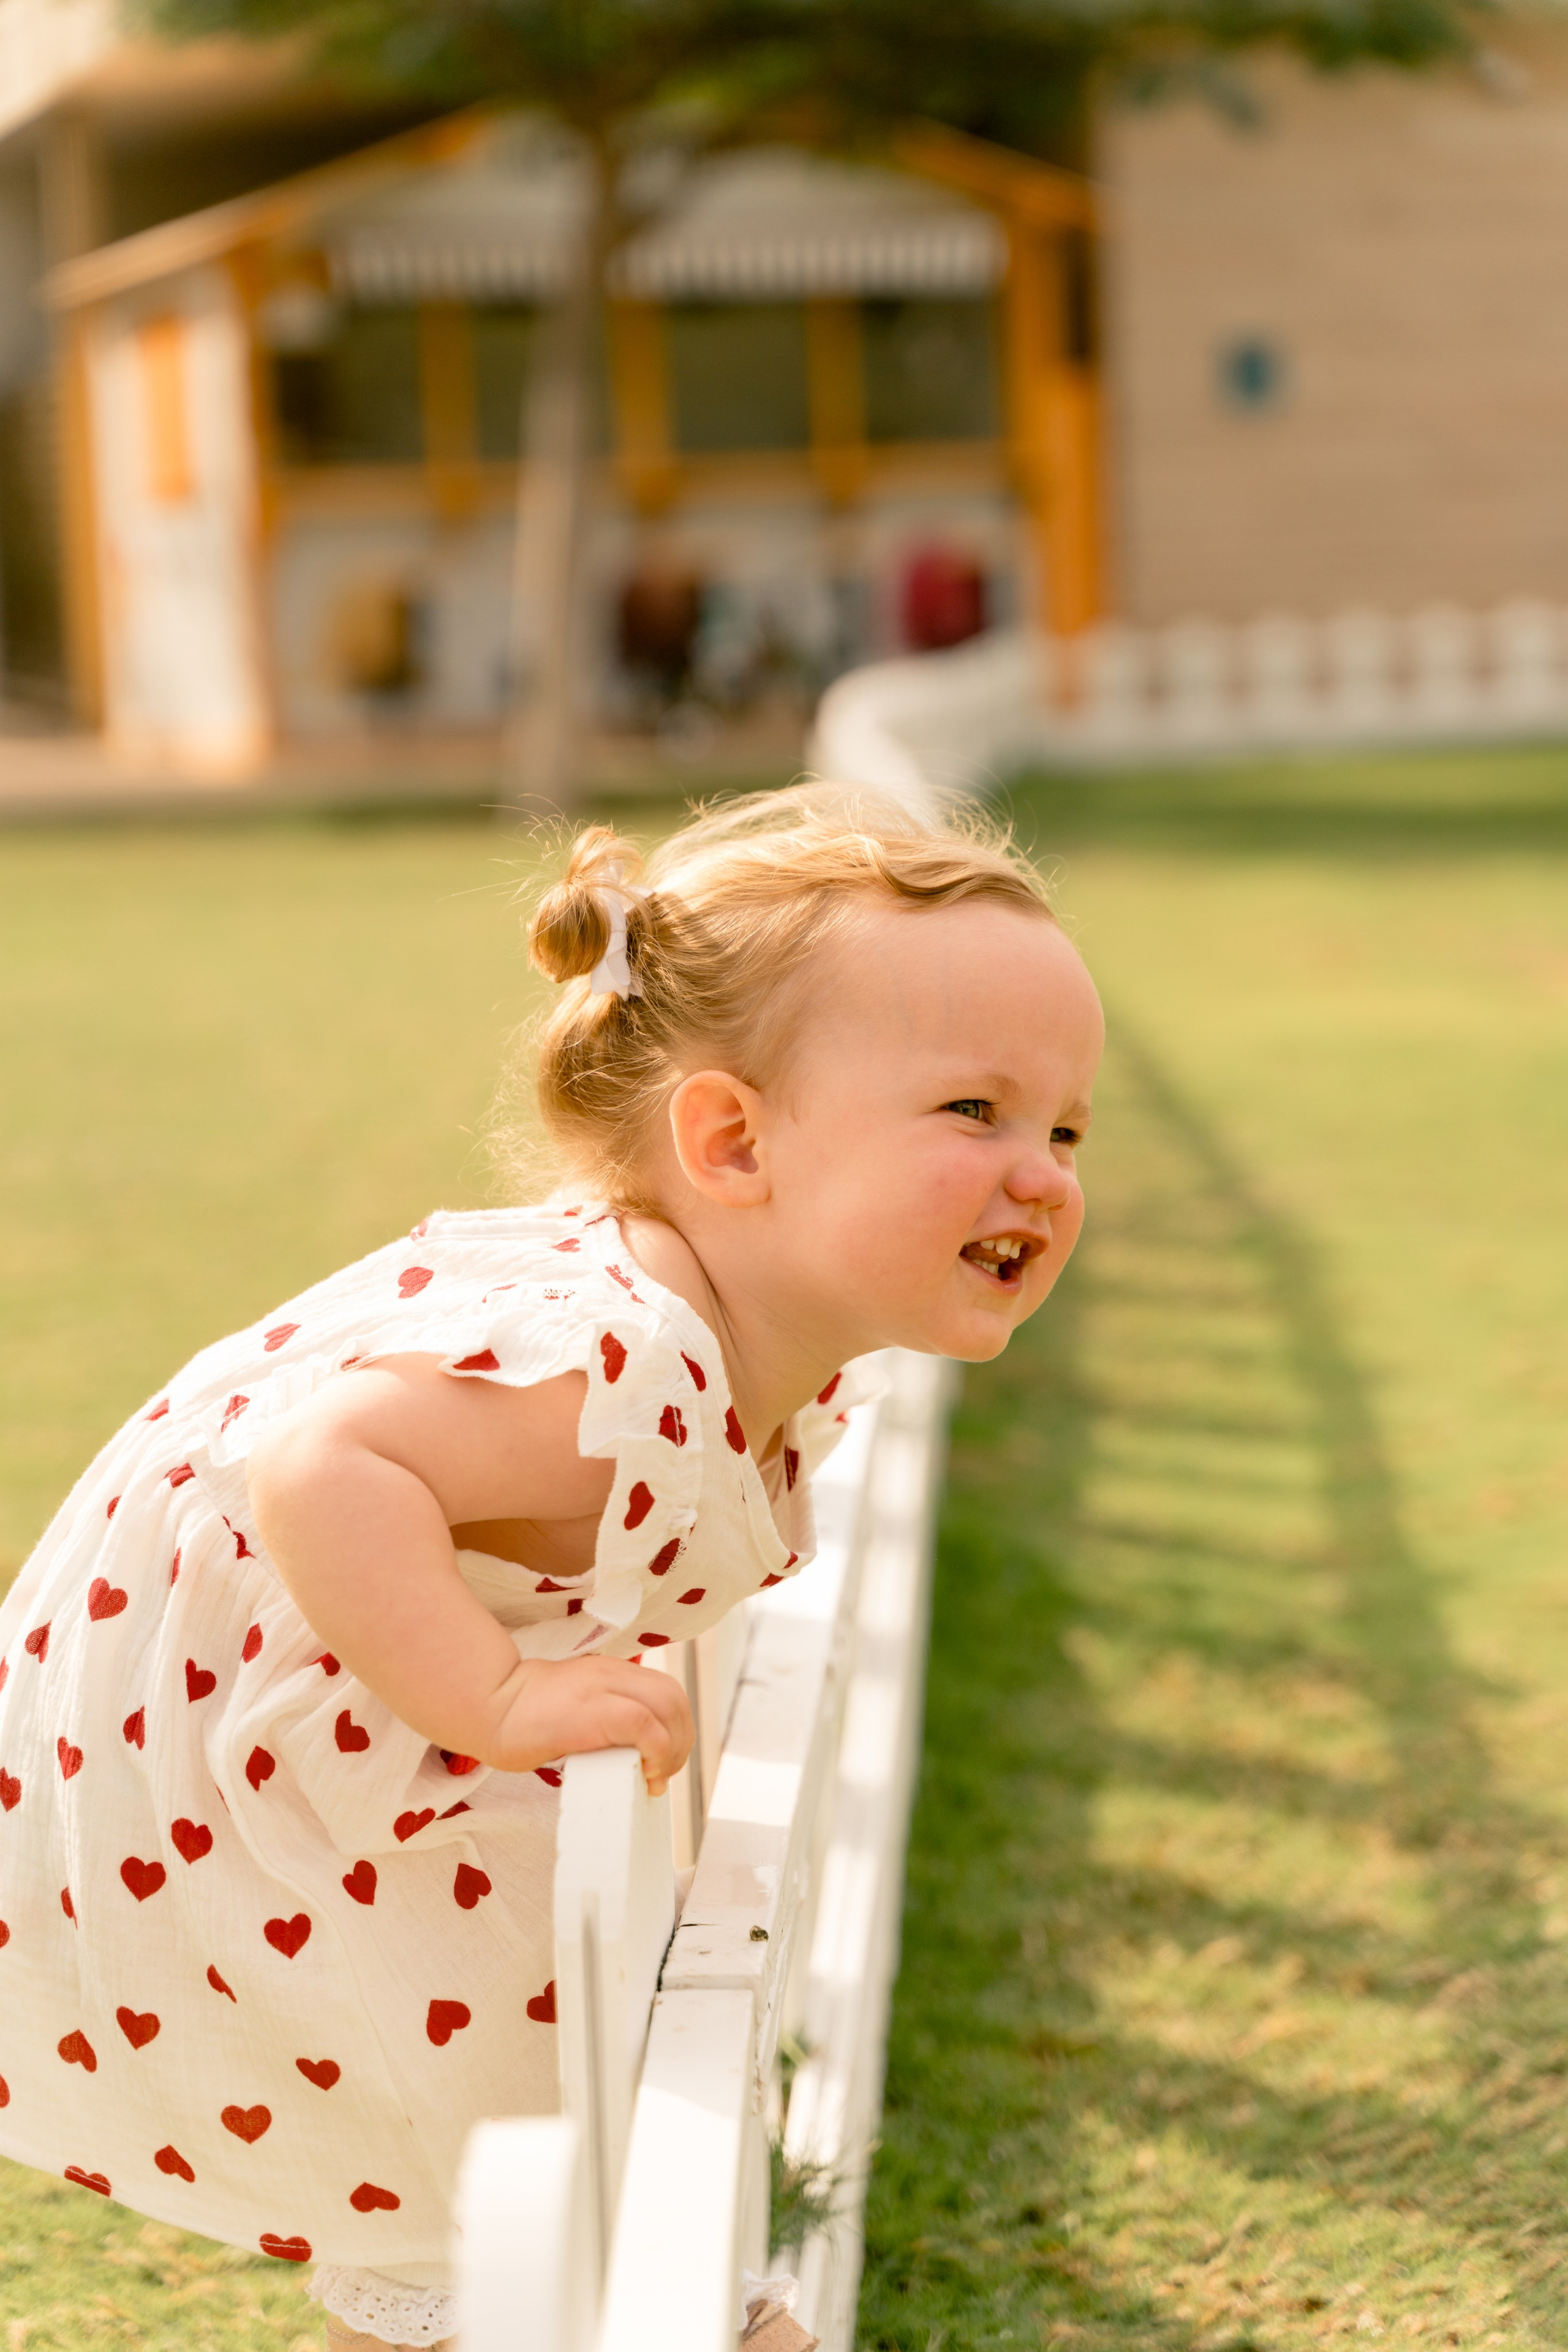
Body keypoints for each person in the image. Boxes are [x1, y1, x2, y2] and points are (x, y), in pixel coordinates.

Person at [0, 784, 1103, 2351]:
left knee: (514, 2111)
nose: (1042, 1174)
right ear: (728, 1142)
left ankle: (520, 2301)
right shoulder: (619, 1366)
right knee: (499, 2102)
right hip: (202, 1729)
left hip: (306, 1656)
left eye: (1063, 1126)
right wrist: (499, 1695)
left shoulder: (721, 1335)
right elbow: (324, 1463)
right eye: (973, 1114)